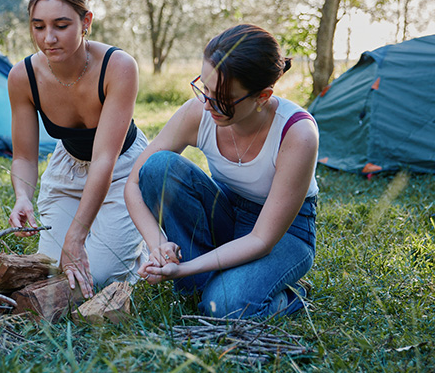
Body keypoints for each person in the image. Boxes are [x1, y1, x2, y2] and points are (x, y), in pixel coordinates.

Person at [124, 24, 318, 318]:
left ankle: (289, 297)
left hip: (283, 232)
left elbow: (262, 239)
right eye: (204, 88)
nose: (206, 105)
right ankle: (207, 282)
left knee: (224, 306)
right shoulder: (197, 111)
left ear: (262, 96)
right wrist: (158, 246)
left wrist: (185, 267)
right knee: (158, 166)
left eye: (222, 98)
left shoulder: (297, 133)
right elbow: (134, 183)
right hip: (226, 211)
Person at [7, 0, 148, 298]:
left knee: (95, 276)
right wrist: (23, 196)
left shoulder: (119, 67)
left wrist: (76, 235)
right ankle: (107, 231)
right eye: (38, 26)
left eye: (61, 25)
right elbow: (24, 156)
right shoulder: (22, 77)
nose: (48, 38)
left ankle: (140, 237)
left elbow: (104, 160)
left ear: (86, 21)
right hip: (68, 169)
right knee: (56, 271)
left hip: (122, 170)